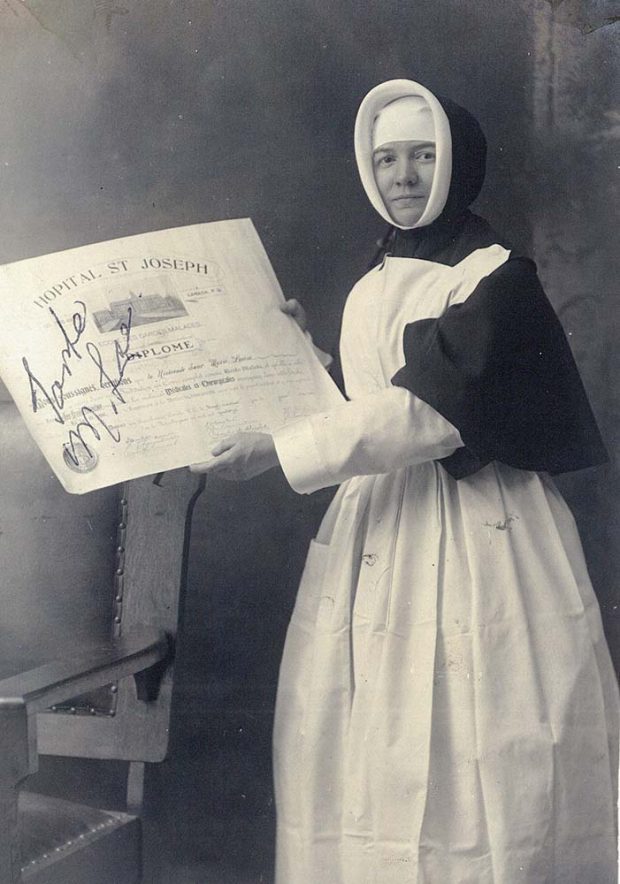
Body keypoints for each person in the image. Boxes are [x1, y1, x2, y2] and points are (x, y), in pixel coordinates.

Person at [191, 80, 619, 883]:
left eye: (424, 156)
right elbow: (370, 406)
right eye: (387, 159)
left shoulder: (498, 278)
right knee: (364, 747)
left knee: (482, 744)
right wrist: (294, 362)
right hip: (378, 531)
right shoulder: (371, 279)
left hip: (480, 535)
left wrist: (277, 450)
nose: (404, 176)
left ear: (457, 162)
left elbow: (427, 416)